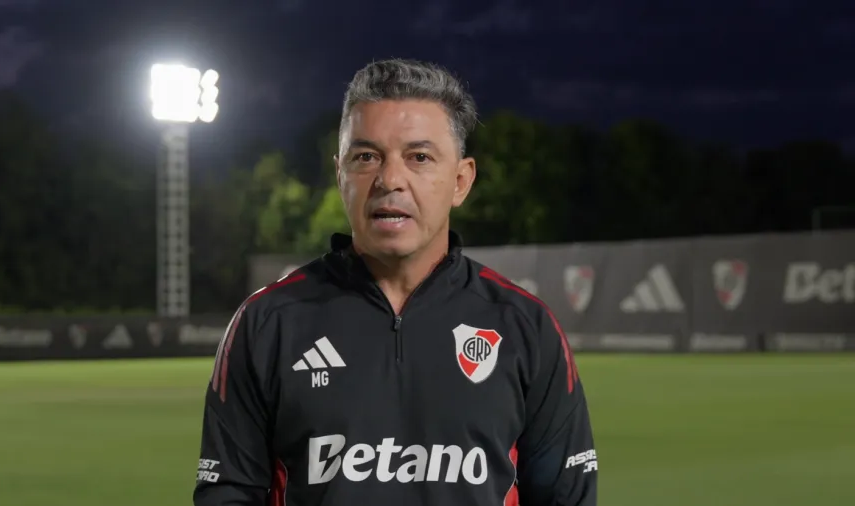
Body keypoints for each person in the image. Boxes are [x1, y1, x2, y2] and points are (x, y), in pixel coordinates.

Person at [193, 58, 598, 506]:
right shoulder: (267, 322)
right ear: (340, 175)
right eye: (366, 157)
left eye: (419, 157)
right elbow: (228, 494)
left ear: (460, 181)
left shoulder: (526, 326)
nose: (389, 180)